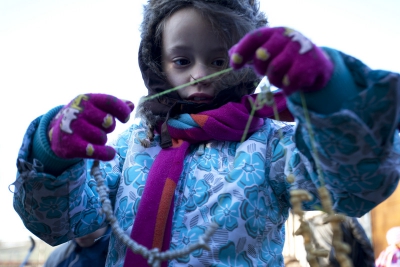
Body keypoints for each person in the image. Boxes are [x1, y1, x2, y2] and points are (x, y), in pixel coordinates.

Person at [11, 0, 400, 266]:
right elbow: (64, 223)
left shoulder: (268, 143)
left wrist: (331, 95)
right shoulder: (135, 144)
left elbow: (352, 187)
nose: (199, 74)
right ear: (157, 64)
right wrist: (54, 154)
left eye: (218, 60)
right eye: (182, 60)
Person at [43, 226, 111, 267]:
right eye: (73, 224)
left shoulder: (119, 254)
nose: (79, 233)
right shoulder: (57, 257)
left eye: (89, 223)